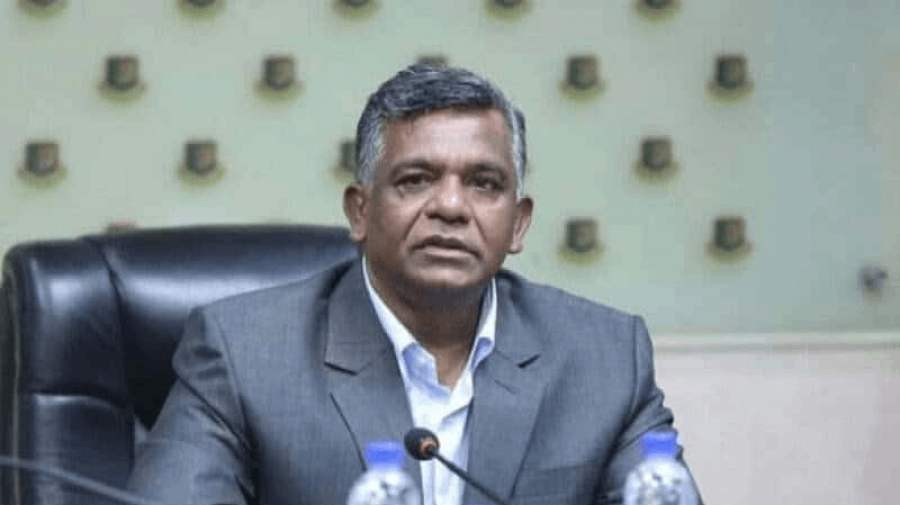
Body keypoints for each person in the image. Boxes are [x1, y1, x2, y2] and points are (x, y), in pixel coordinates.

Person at [127, 64, 702, 505]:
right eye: (416, 179)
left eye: (483, 183)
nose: (450, 206)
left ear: (518, 223)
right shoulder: (243, 354)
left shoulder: (605, 359)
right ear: (360, 211)